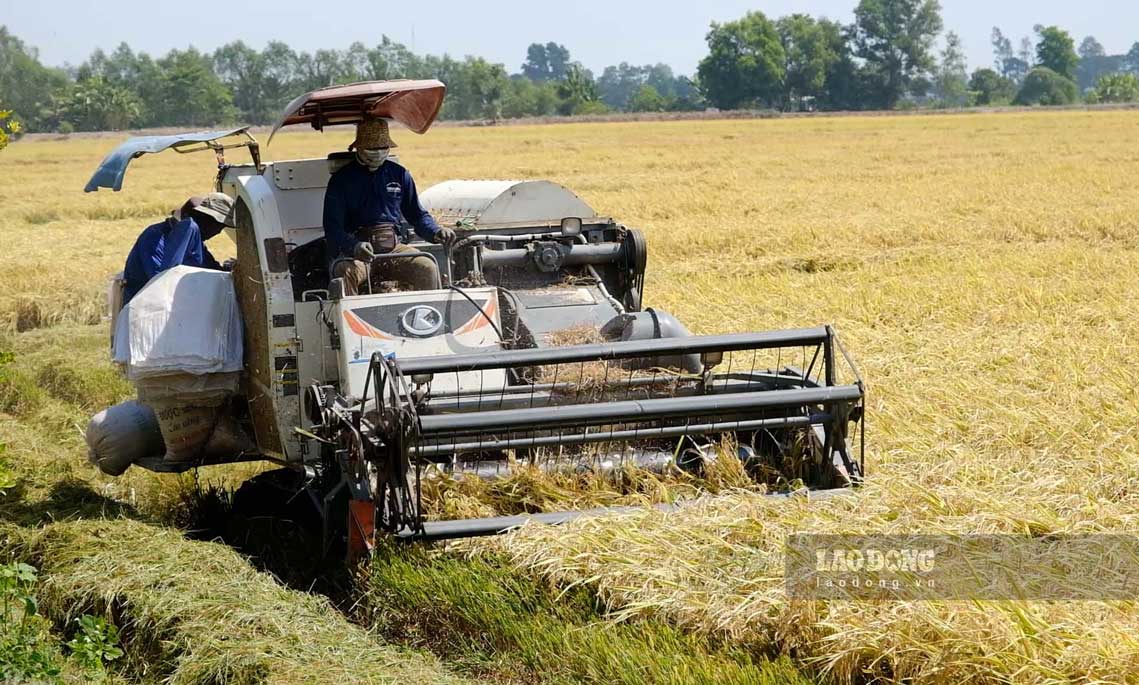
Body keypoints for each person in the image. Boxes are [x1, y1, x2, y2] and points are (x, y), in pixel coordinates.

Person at [322, 117, 456, 295]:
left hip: (394, 248)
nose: (378, 153)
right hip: (358, 254)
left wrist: (436, 231)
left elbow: (417, 215)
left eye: (383, 148)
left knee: (427, 266)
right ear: (359, 148)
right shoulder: (341, 180)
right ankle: (349, 321)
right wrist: (354, 246)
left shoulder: (399, 174)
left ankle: (426, 317)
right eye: (372, 149)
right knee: (345, 272)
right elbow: (333, 229)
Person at [122, 193, 236, 302]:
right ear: (203, 219)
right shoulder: (154, 236)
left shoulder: (195, 243)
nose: (218, 232)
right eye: (217, 226)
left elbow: (212, 269)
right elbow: (160, 282)